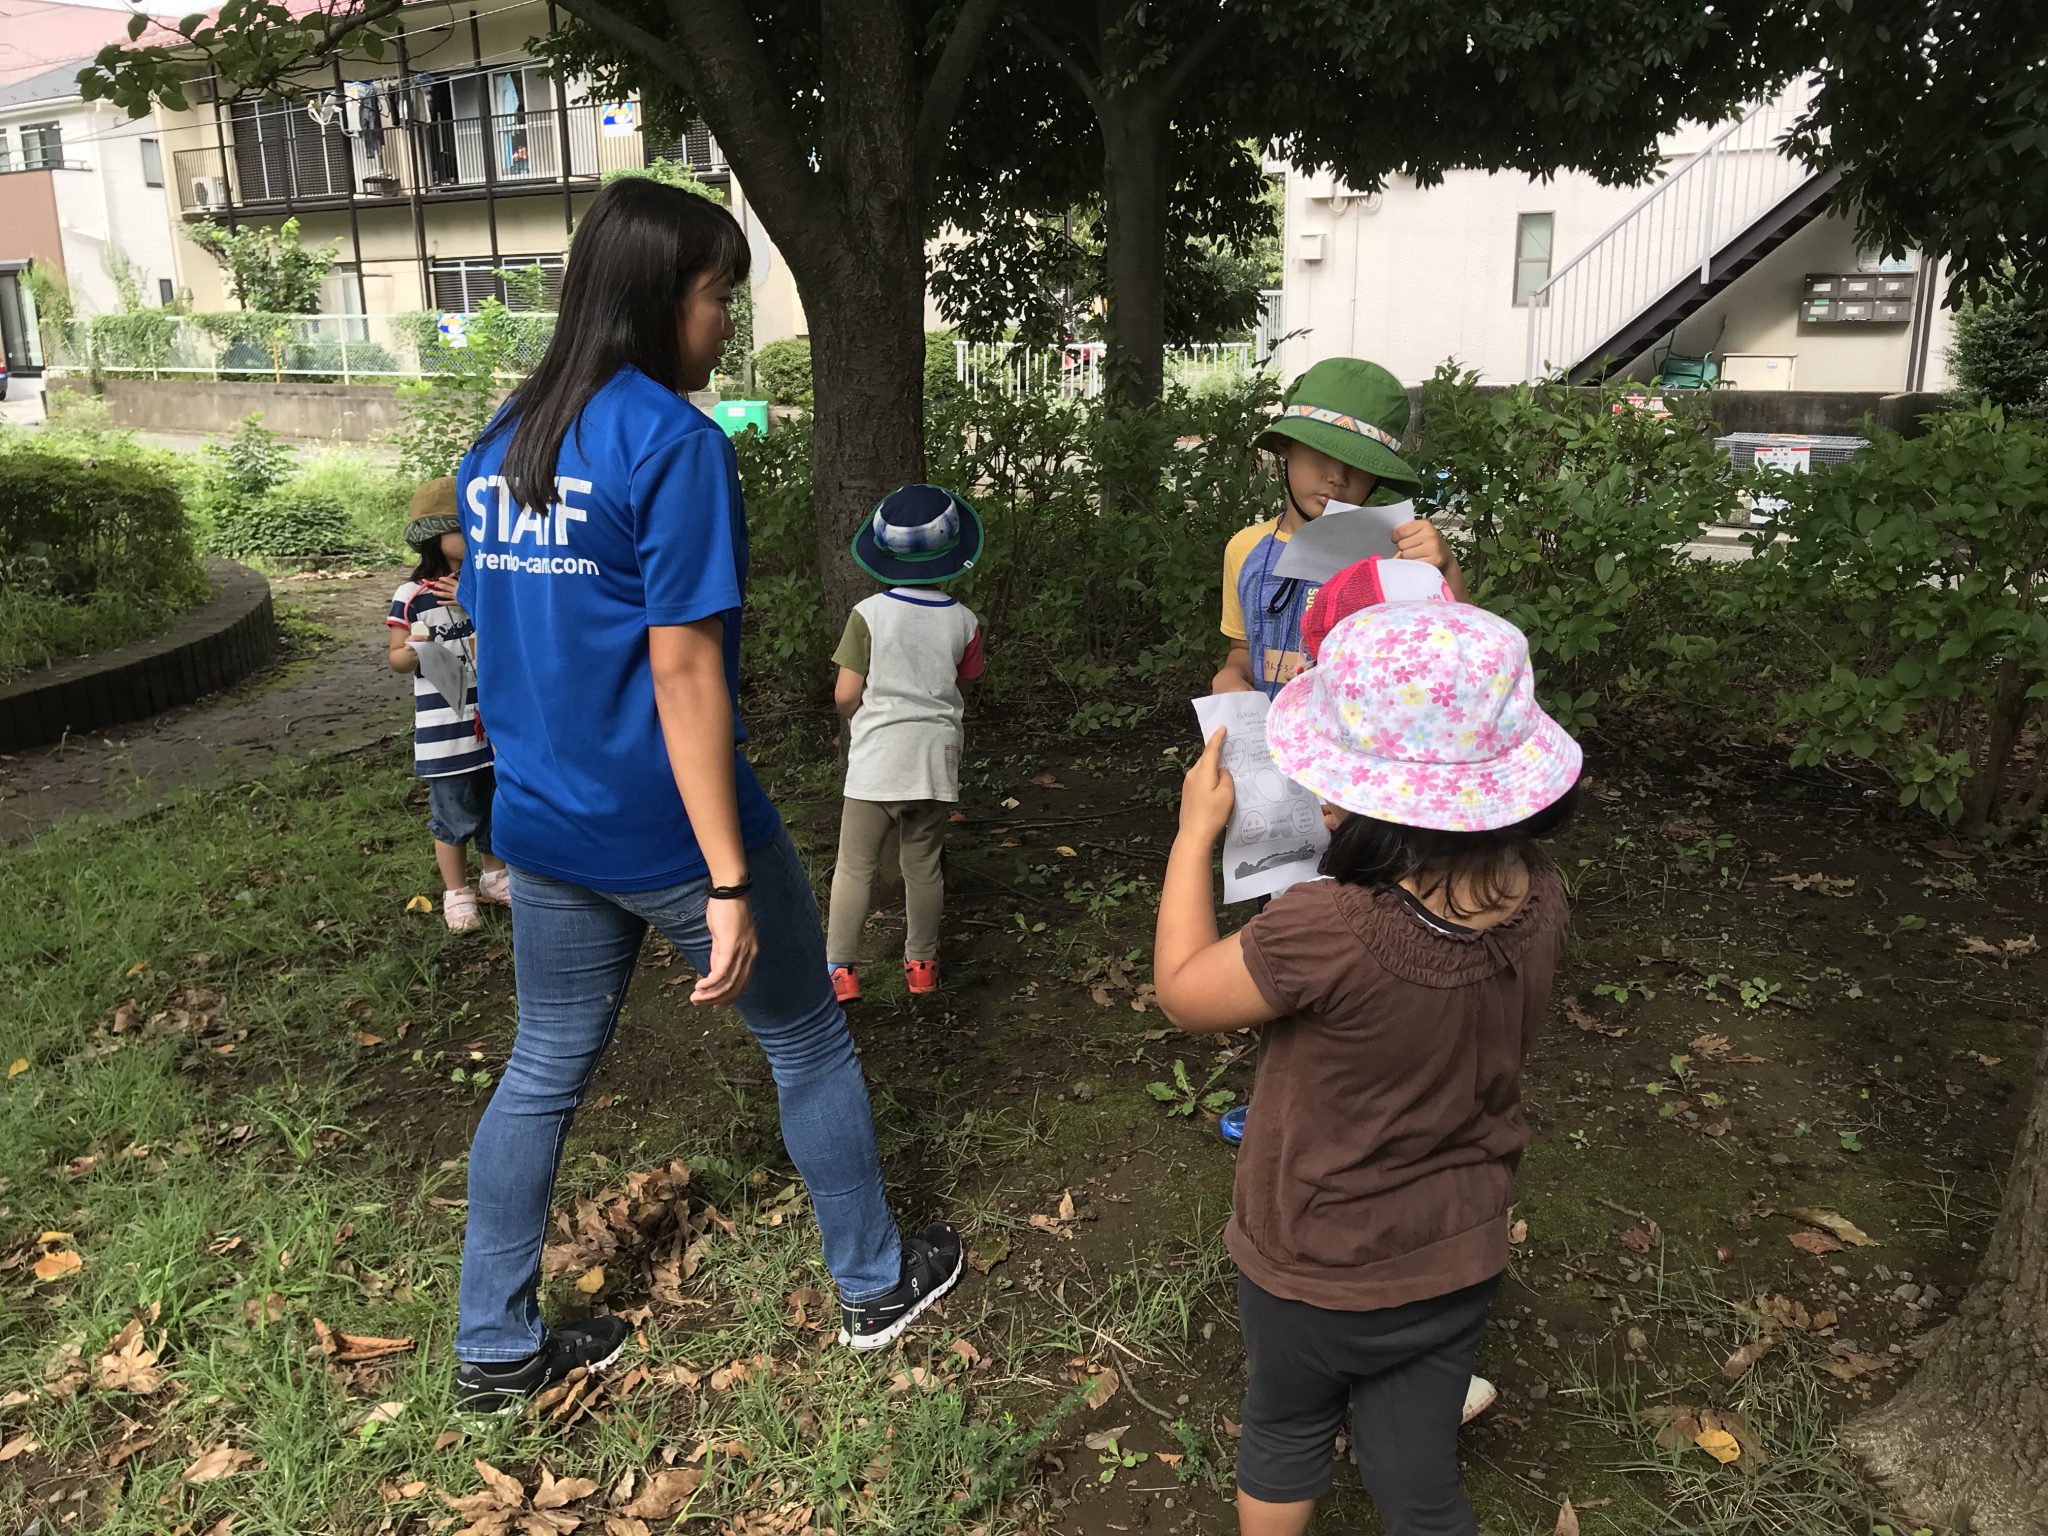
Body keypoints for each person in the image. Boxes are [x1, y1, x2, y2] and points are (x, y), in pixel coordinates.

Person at [448, 178, 960, 1413]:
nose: (725, 322)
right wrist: (727, 877)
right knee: (806, 1036)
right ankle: (874, 1285)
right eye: (716, 295)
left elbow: (493, 627)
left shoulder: (500, 441)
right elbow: (682, 675)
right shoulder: (672, 446)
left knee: (541, 1069)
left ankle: (492, 1347)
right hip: (667, 826)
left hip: (540, 822)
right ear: (653, 298)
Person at [1155, 605, 1583, 1536]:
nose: (1321, 797)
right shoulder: (1541, 893)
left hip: (1318, 1260)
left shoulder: (1327, 929)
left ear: (1366, 801)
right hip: (1459, 1247)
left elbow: (1185, 992)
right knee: (1415, 1472)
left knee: (1286, 1427)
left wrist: (1193, 837)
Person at [1213, 358, 1470, 698]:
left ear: (1377, 477)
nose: (1337, 477)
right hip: (1266, 729)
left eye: (1359, 464)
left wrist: (1446, 570)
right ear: (1286, 446)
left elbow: (1462, 652)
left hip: (1358, 731)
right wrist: (1230, 674)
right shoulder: (1245, 549)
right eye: (1321, 453)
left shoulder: (1397, 557)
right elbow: (1244, 648)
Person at [825, 484, 987, 1003]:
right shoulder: (965, 621)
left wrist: (856, 718)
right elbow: (963, 687)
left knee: (855, 866)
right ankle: (921, 966)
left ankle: (841, 971)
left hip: (876, 763)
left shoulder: (868, 614)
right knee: (923, 867)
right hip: (935, 763)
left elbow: (846, 693)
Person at [385, 478, 508, 932]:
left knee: (495, 802)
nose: (475, 535)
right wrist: (412, 651)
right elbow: (396, 658)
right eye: (464, 527)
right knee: (452, 812)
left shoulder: (484, 582)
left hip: (489, 719)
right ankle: (456, 892)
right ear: (436, 535)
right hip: (444, 729)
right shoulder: (411, 596)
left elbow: (499, 640)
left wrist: (470, 601)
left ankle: (495, 876)